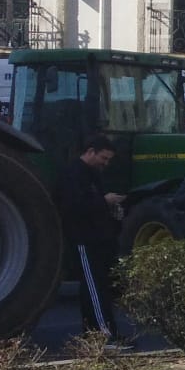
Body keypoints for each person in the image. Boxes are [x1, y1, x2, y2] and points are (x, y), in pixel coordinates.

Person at [57, 132, 125, 339]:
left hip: (100, 237)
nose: (105, 163)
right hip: (84, 239)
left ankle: (94, 333)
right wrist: (105, 202)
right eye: (103, 158)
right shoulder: (72, 175)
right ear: (90, 152)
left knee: (98, 287)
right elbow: (71, 207)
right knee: (94, 287)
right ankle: (104, 334)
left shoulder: (93, 174)